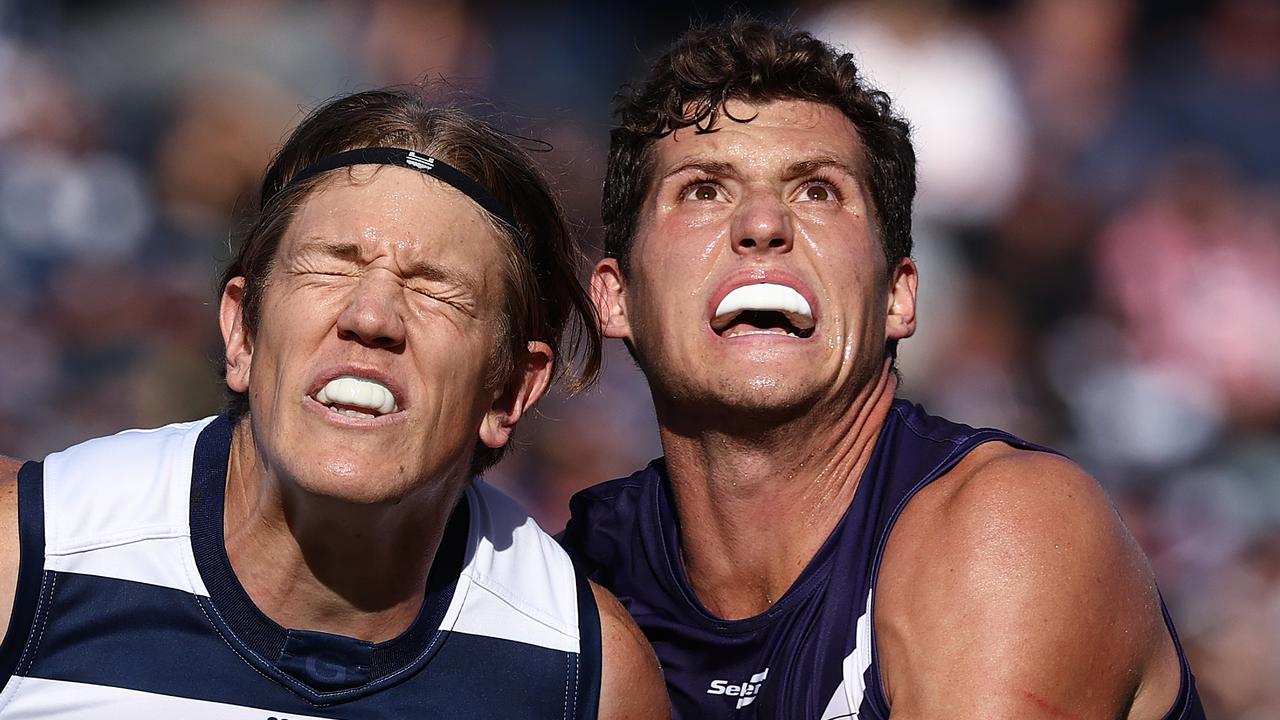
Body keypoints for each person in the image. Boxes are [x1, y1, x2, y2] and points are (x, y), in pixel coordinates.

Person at [559, 18, 1206, 720]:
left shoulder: (1008, 529)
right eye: (704, 190)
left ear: (898, 297)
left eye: (818, 191)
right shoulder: (570, 578)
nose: (764, 224)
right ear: (615, 298)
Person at [0, 88, 667, 719]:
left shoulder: (585, 677)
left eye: (436, 289)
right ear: (242, 332)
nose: (371, 315)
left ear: (511, 390)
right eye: (331, 264)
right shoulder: (23, 560)